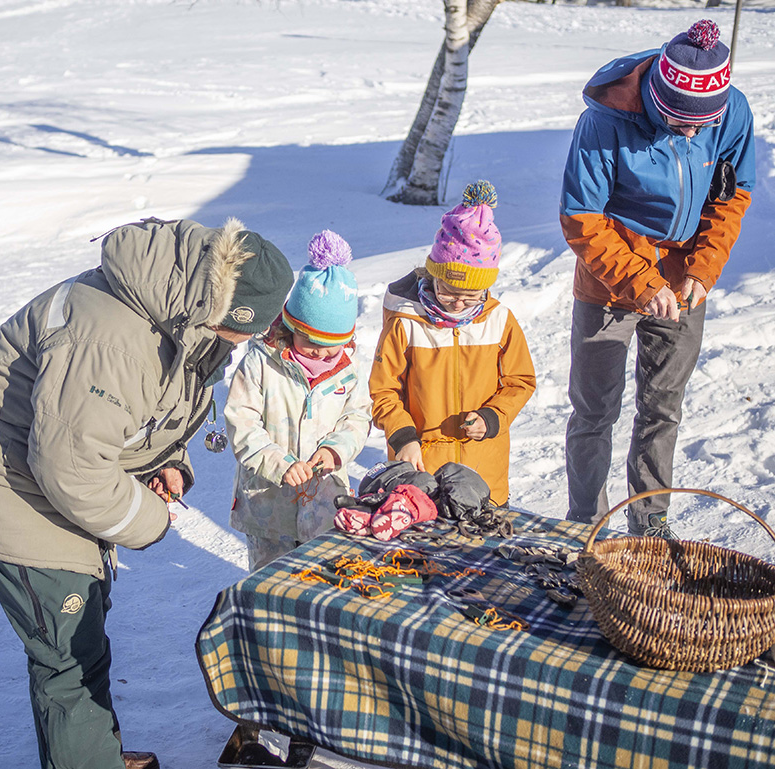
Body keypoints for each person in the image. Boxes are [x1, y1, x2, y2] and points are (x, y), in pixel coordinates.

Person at [0, 217, 294, 769]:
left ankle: (90, 752)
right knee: (68, 652)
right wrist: (148, 519)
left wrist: (165, 460)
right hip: (6, 481)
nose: (256, 343)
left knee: (83, 621)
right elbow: (70, 467)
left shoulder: (185, 309)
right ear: (228, 309)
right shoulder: (114, 339)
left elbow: (150, 405)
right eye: (249, 332)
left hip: (50, 463)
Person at [560, 19, 755, 535]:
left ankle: (650, 522)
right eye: (680, 122)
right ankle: (586, 523)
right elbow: (582, 216)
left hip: (685, 277)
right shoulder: (605, 122)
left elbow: (731, 195)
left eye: (701, 125)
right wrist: (641, 283)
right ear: (654, 99)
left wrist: (702, 269)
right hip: (610, 275)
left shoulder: (731, 111)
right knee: (594, 410)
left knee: (662, 407)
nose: (692, 132)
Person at [369, 181, 536, 508]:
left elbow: (521, 381)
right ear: (433, 277)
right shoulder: (407, 323)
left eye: (470, 296)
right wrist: (403, 437)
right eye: (447, 292)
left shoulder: (499, 321)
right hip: (420, 469)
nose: (458, 304)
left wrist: (492, 418)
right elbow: (383, 390)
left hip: (483, 470)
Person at [224, 230, 372, 570]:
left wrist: (336, 450)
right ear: (291, 326)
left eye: (330, 345)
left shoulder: (349, 369)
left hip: (323, 502)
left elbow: (358, 418)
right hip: (267, 506)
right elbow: (242, 423)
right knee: (270, 585)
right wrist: (280, 464)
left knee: (320, 580)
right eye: (309, 340)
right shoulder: (262, 361)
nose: (319, 352)